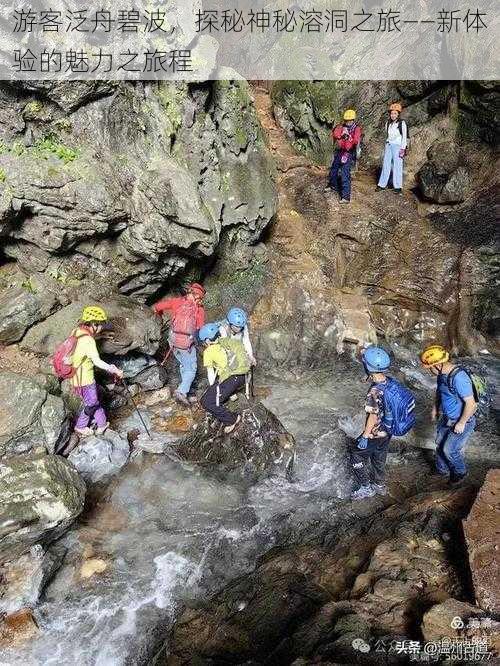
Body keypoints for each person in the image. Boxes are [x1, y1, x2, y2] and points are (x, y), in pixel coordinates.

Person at [420, 345, 477, 485]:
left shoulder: (459, 378)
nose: (429, 371)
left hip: (462, 420)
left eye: (430, 368)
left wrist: (462, 423)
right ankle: (442, 470)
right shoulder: (441, 375)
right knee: (439, 444)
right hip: (446, 417)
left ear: (438, 365)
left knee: (450, 450)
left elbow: (472, 404)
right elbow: (440, 392)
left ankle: (460, 472)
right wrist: (435, 408)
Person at [350, 347, 395, 500]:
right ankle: (379, 484)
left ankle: (365, 487)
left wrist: (365, 435)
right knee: (379, 455)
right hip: (388, 430)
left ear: (368, 367)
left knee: (356, 455)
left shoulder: (374, 391)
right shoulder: (389, 382)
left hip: (376, 431)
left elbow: (373, 416)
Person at [71, 306, 124, 437]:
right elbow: (97, 361)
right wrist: (114, 369)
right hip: (85, 380)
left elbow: (83, 346)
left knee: (94, 401)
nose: (102, 327)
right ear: (93, 324)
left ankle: (102, 424)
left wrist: (101, 335)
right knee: (92, 402)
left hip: (75, 376)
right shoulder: (88, 341)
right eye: (100, 325)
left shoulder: (77, 332)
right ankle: (80, 426)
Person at [153, 283, 206, 406]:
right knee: (191, 369)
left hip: (173, 341)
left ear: (189, 292)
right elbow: (200, 329)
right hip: (186, 344)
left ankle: (185, 389)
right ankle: (181, 392)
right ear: (199, 297)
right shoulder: (199, 310)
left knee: (184, 365)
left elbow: (157, 307)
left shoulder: (177, 301)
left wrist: (159, 318)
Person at [199, 322, 251, 434]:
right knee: (215, 391)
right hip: (241, 376)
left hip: (232, 378)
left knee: (207, 402)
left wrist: (214, 388)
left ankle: (232, 419)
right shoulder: (225, 341)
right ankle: (231, 393)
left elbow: (211, 374)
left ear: (207, 340)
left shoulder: (208, 351)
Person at [326, 109, 362, 204]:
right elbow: (336, 133)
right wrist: (342, 136)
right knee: (334, 168)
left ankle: (345, 196)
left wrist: (348, 138)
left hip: (349, 152)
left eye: (350, 120)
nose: (348, 122)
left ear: (353, 120)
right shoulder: (342, 127)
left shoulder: (356, 129)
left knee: (345, 172)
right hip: (341, 150)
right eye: (346, 120)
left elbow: (355, 140)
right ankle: (333, 185)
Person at [377, 102, 408, 195]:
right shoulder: (388, 123)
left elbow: (404, 136)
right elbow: (387, 135)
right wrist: (387, 143)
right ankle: (382, 185)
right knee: (386, 164)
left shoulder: (402, 123)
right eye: (391, 113)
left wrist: (403, 149)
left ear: (398, 114)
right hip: (389, 145)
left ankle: (398, 187)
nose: (393, 115)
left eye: (395, 113)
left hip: (398, 146)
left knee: (397, 166)